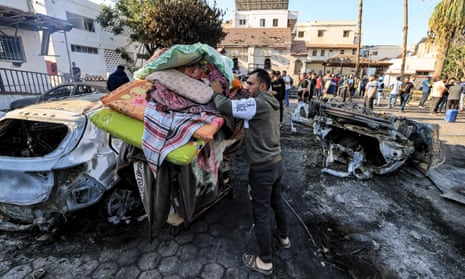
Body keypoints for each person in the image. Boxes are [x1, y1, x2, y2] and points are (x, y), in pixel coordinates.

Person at [210, 68, 289, 276]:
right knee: (276, 201)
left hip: (262, 169)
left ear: (262, 86)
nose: (247, 87)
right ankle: (283, 237)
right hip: (276, 163)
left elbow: (225, 106)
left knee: (261, 212)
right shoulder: (272, 103)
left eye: (251, 84)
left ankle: (265, 261)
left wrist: (217, 91)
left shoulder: (256, 104)